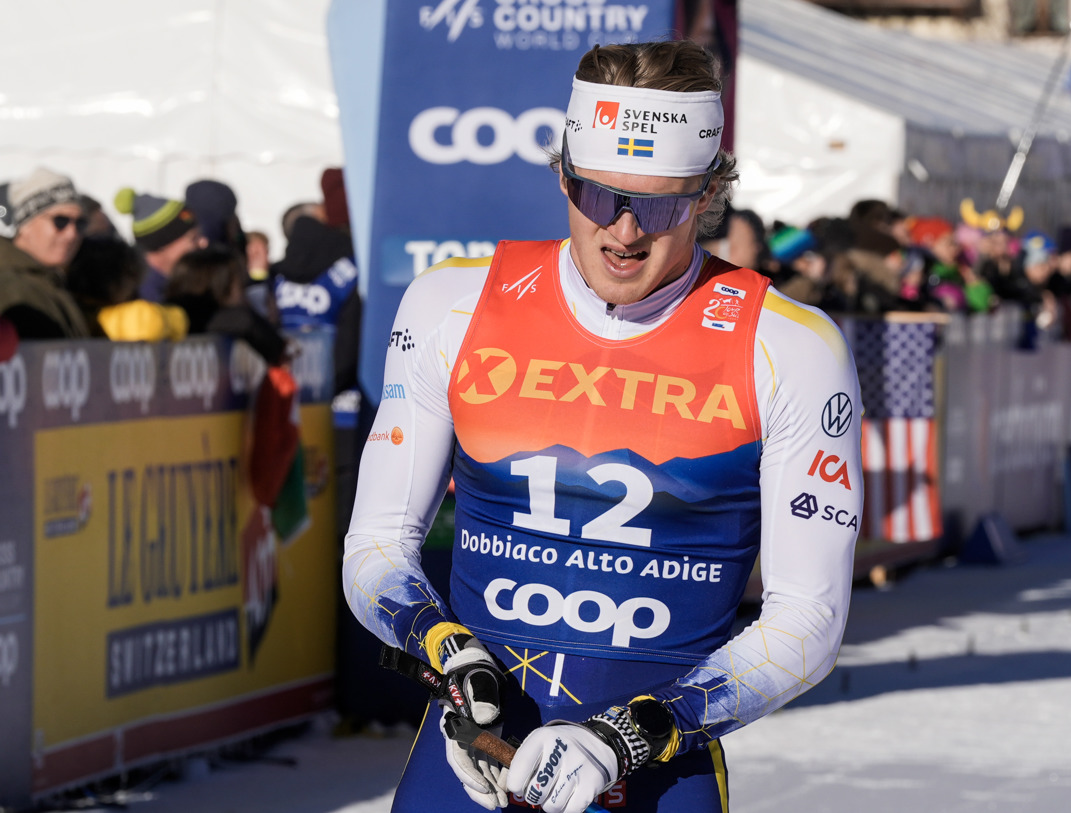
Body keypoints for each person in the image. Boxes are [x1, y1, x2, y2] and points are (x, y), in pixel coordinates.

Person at [343, 40, 863, 813]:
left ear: (708, 193)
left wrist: (630, 735)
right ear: (563, 174)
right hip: (474, 751)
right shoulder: (452, 304)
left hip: (655, 766)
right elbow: (376, 545)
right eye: (598, 195)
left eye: (659, 204)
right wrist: (450, 657)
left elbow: (808, 619)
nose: (623, 231)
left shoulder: (788, 346)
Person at [272, 201, 361, 393]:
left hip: (285, 390)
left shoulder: (275, 277)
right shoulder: (351, 273)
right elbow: (352, 343)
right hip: (341, 392)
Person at [0, 167, 91, 338]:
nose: (72, 234)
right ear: (25, 225)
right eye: (60, 221)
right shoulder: (7, 286)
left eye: (80, 224)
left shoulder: (59, 282)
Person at [116, 188, 207, 302]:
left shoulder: (177, 283)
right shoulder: (144, 299)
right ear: (161, 244)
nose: (204, 243)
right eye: (194, 238)